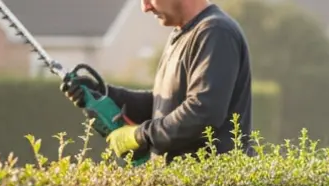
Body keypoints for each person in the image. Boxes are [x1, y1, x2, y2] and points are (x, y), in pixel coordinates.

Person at [63, 0, 253, 162]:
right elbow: (163, 107)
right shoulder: (182, 34)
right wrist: (104, 94)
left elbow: (202, 114)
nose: (145, 7)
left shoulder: (215, 32)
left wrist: (140, 135)